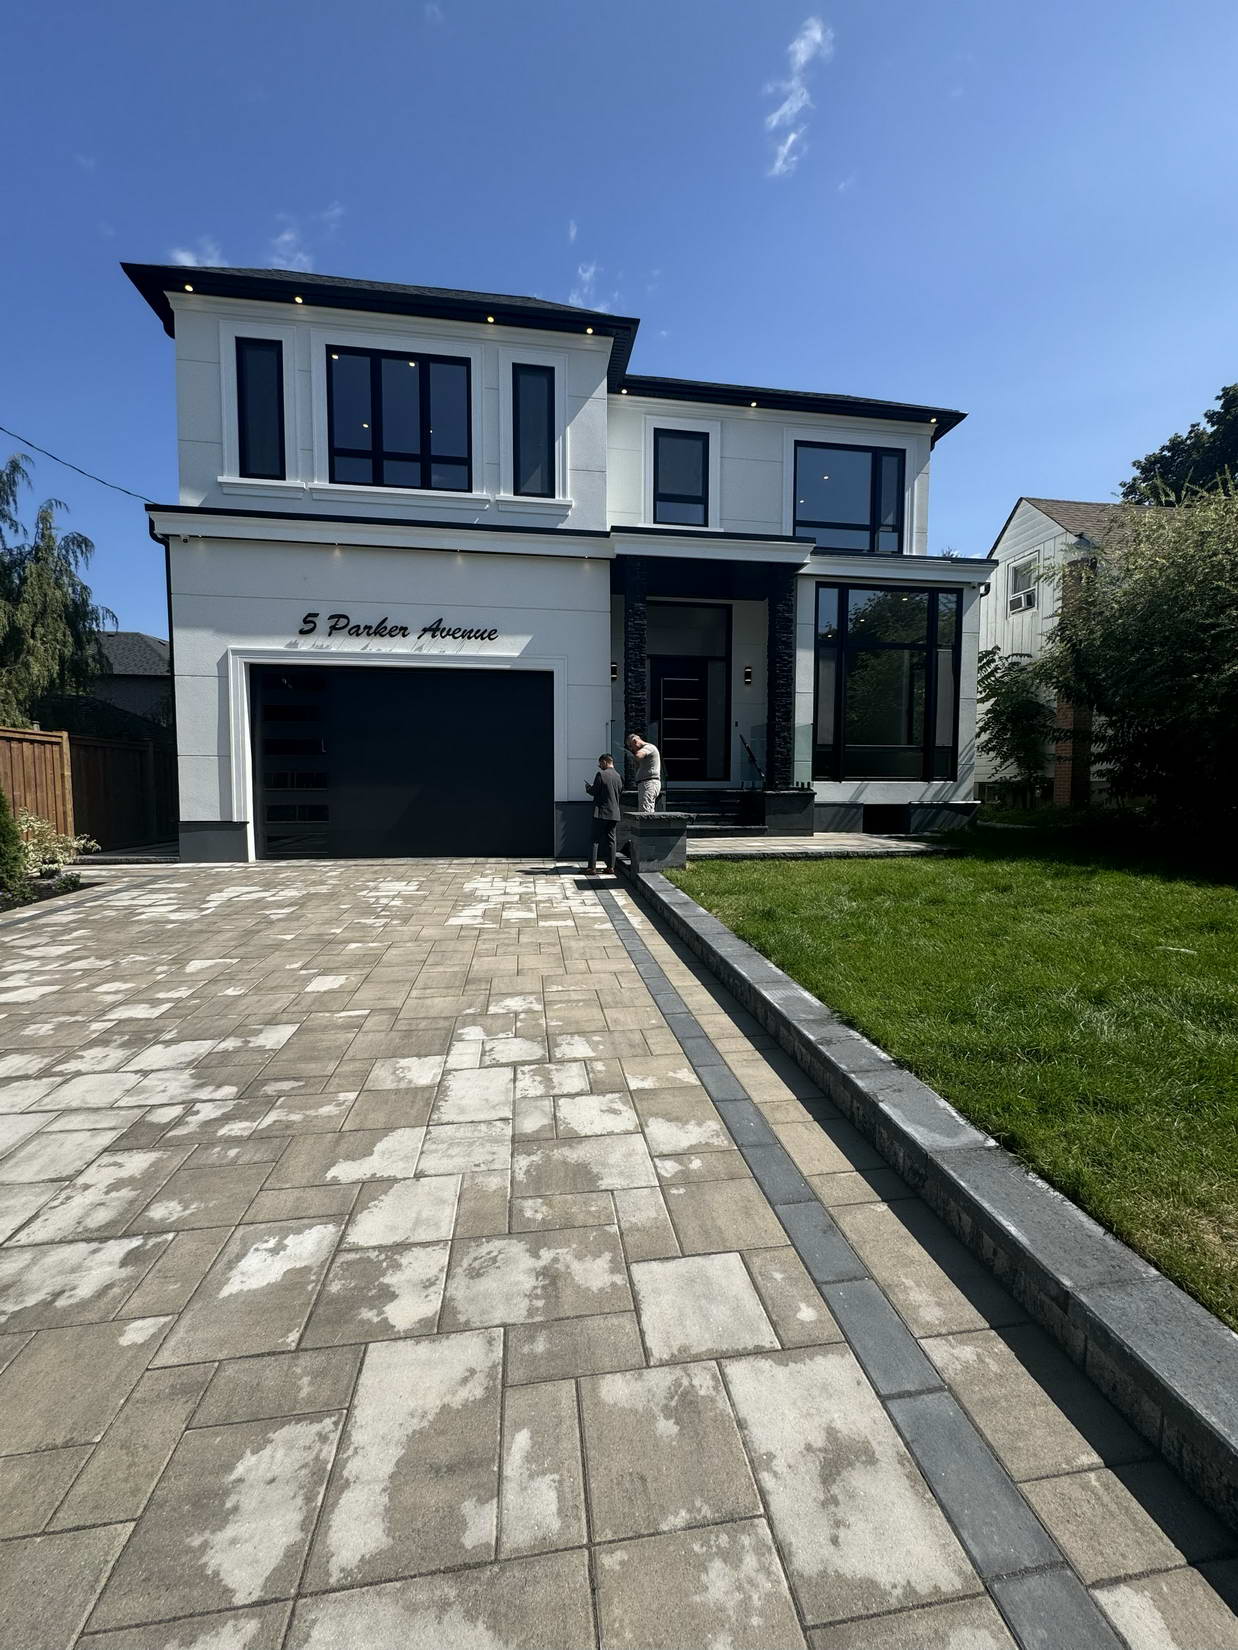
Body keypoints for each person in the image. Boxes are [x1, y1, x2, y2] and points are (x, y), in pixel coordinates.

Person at [584, 753, 623, 874]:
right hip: (614, 813)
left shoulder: (601, 774)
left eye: (600, 763)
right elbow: (619, 792)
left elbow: (595, 791)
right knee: (612, 840)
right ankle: (611, 867)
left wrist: (588, 788)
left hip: (601, 813)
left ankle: (592, 868)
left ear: (605, 762)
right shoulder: (618, 776)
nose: (599, 766)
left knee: (594, 840)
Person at [626, 732, 662, 813]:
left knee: (645, 812)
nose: (632, 749)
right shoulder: (648, 748)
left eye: (631, 746)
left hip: (649, 783)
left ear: (635, 741)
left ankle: (648, 826)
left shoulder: (648, 747)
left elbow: (639, 755)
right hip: (648, 783)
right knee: (646, 810)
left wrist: (632, 754)